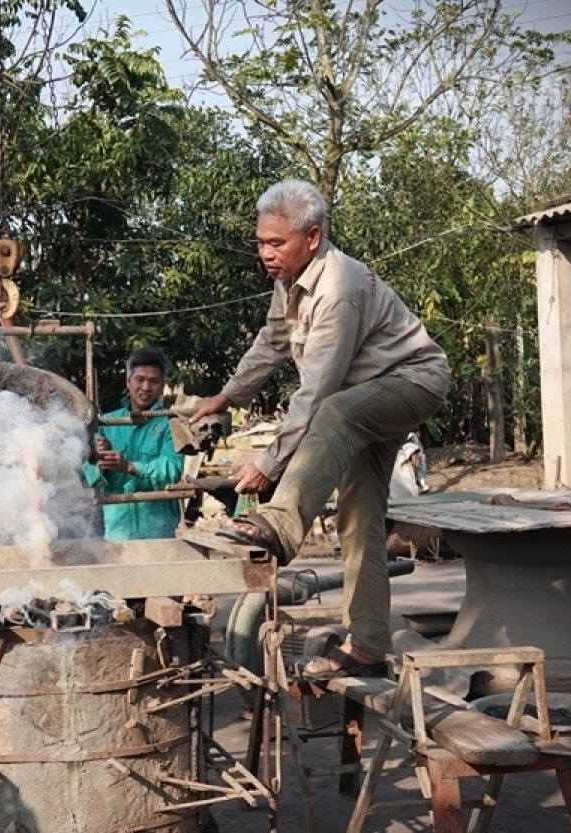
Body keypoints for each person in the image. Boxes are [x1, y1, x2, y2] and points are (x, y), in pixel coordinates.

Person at [190, 178, 451, 680]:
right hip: (365, 397)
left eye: (276, 243)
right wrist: (228, 395)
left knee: (332, 412)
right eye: (261, 242)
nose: (265, 253)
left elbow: (317, 395)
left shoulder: (339, 289)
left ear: (312, 237)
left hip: (413, 381)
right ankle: (370, 645)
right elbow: (272, 342)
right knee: (360, 521)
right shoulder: (288, 280)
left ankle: (283, 524)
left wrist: (269, 466)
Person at [84, 346, 184, 540]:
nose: (146, 387)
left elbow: (172, 469)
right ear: (128, 381)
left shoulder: (171, 424)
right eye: (140, 379)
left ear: (163, 385)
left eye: (154, 381)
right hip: (117, 532)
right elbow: (88, 478)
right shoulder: (106, 423)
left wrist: (129, 466)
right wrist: (96, 459)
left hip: (159, 533)